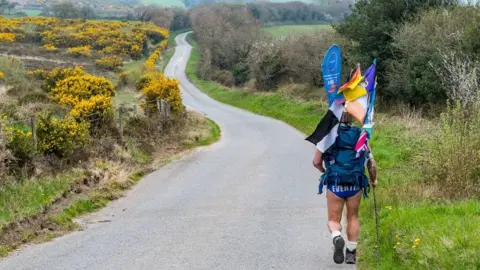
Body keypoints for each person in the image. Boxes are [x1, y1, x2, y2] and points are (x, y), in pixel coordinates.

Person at [312, 112, 377, 265]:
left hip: (335, 182)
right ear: (354, 117)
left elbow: (316, 161)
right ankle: (351, 253)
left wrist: (323, 170)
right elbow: (371, 163)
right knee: (352, 217)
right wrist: (374, 180)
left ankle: (336, 237)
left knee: (333, 220)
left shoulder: (329, 135)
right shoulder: (361, 135)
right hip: (355, 183)